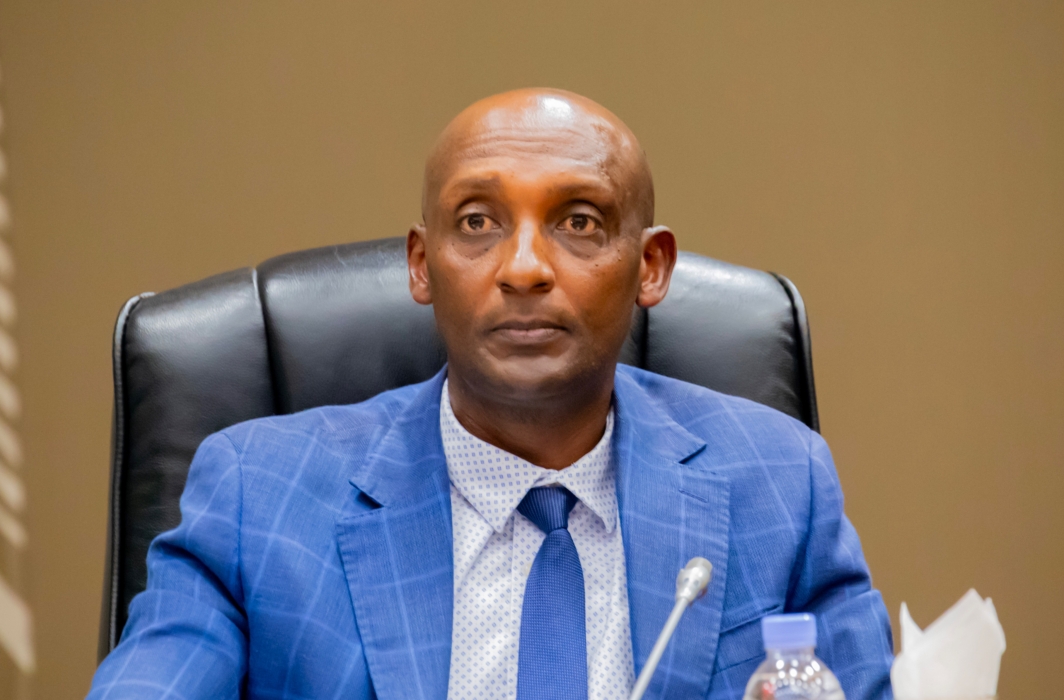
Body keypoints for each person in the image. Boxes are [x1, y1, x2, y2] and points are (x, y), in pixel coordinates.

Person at [86, 88, 893, 700]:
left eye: (579, 222)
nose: (524, 268)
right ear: (420, 264)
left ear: (650, 268)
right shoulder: (256, 498)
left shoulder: (779, 483)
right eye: (477, 222)